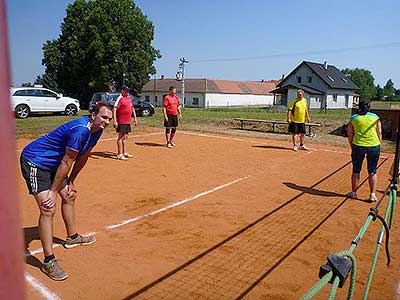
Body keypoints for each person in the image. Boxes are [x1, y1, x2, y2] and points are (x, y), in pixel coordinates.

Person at [20, 104, 113, 281]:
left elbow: (83, 156)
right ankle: (48, 261)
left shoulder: (97, 130)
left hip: (55, 163)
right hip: (35, 161)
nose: (106, 122)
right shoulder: (80, 130)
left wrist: (71, 180)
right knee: (48, 208)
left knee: (70, 194)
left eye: (109, 119)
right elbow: (67, 161)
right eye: (103, 118)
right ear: (93, 115)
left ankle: (72, 237)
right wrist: (52, 192)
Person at [347, 100, 382, 201]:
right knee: (372, 171)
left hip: (358, 146)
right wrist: (379, 144)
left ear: (359, 108)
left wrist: (352, 146)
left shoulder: (353, 118)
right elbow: (379, 132)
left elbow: (350, 134)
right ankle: (372, 194)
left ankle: (354, 193)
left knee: (356, 170)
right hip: (374, 146)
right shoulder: (375, 117)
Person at [113, 85, 137, 160]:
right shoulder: (120, 98)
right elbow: (114, 109)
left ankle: (124, 152)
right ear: (122, 91)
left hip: (127, 121)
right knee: (120, 137)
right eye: (126, 91)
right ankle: (119, 154)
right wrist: (115, 121)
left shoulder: (129, 98)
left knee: (125, 137)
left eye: (128, 91)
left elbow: (132, 108)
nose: (127, 92)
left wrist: (135, 118)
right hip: (121, 121)